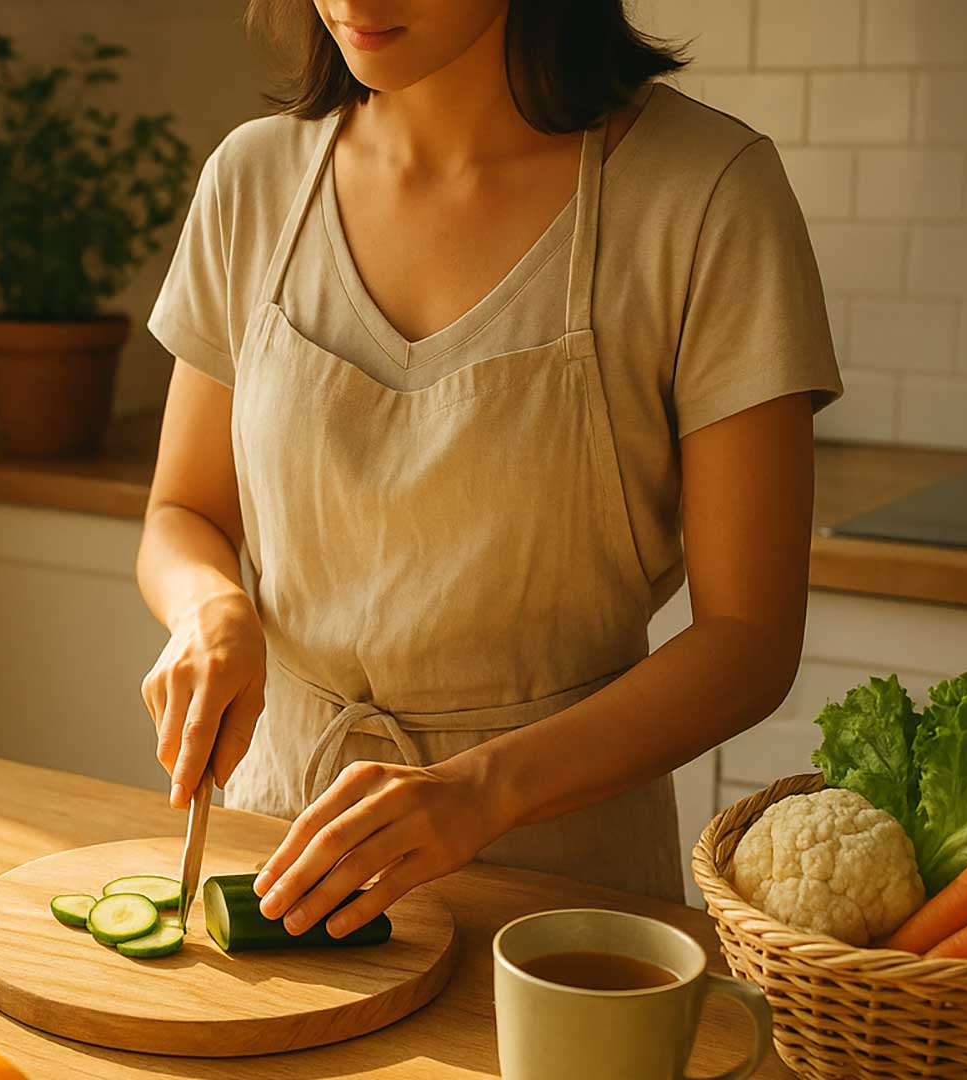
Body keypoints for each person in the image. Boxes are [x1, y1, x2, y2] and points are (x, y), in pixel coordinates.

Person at [136, 0, 842, 940]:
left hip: (564, 900)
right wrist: (210, 609)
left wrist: (478, 793)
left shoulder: (706, 193)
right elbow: (181, 512)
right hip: (278, 849)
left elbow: (750, 641)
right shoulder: (251, 180)